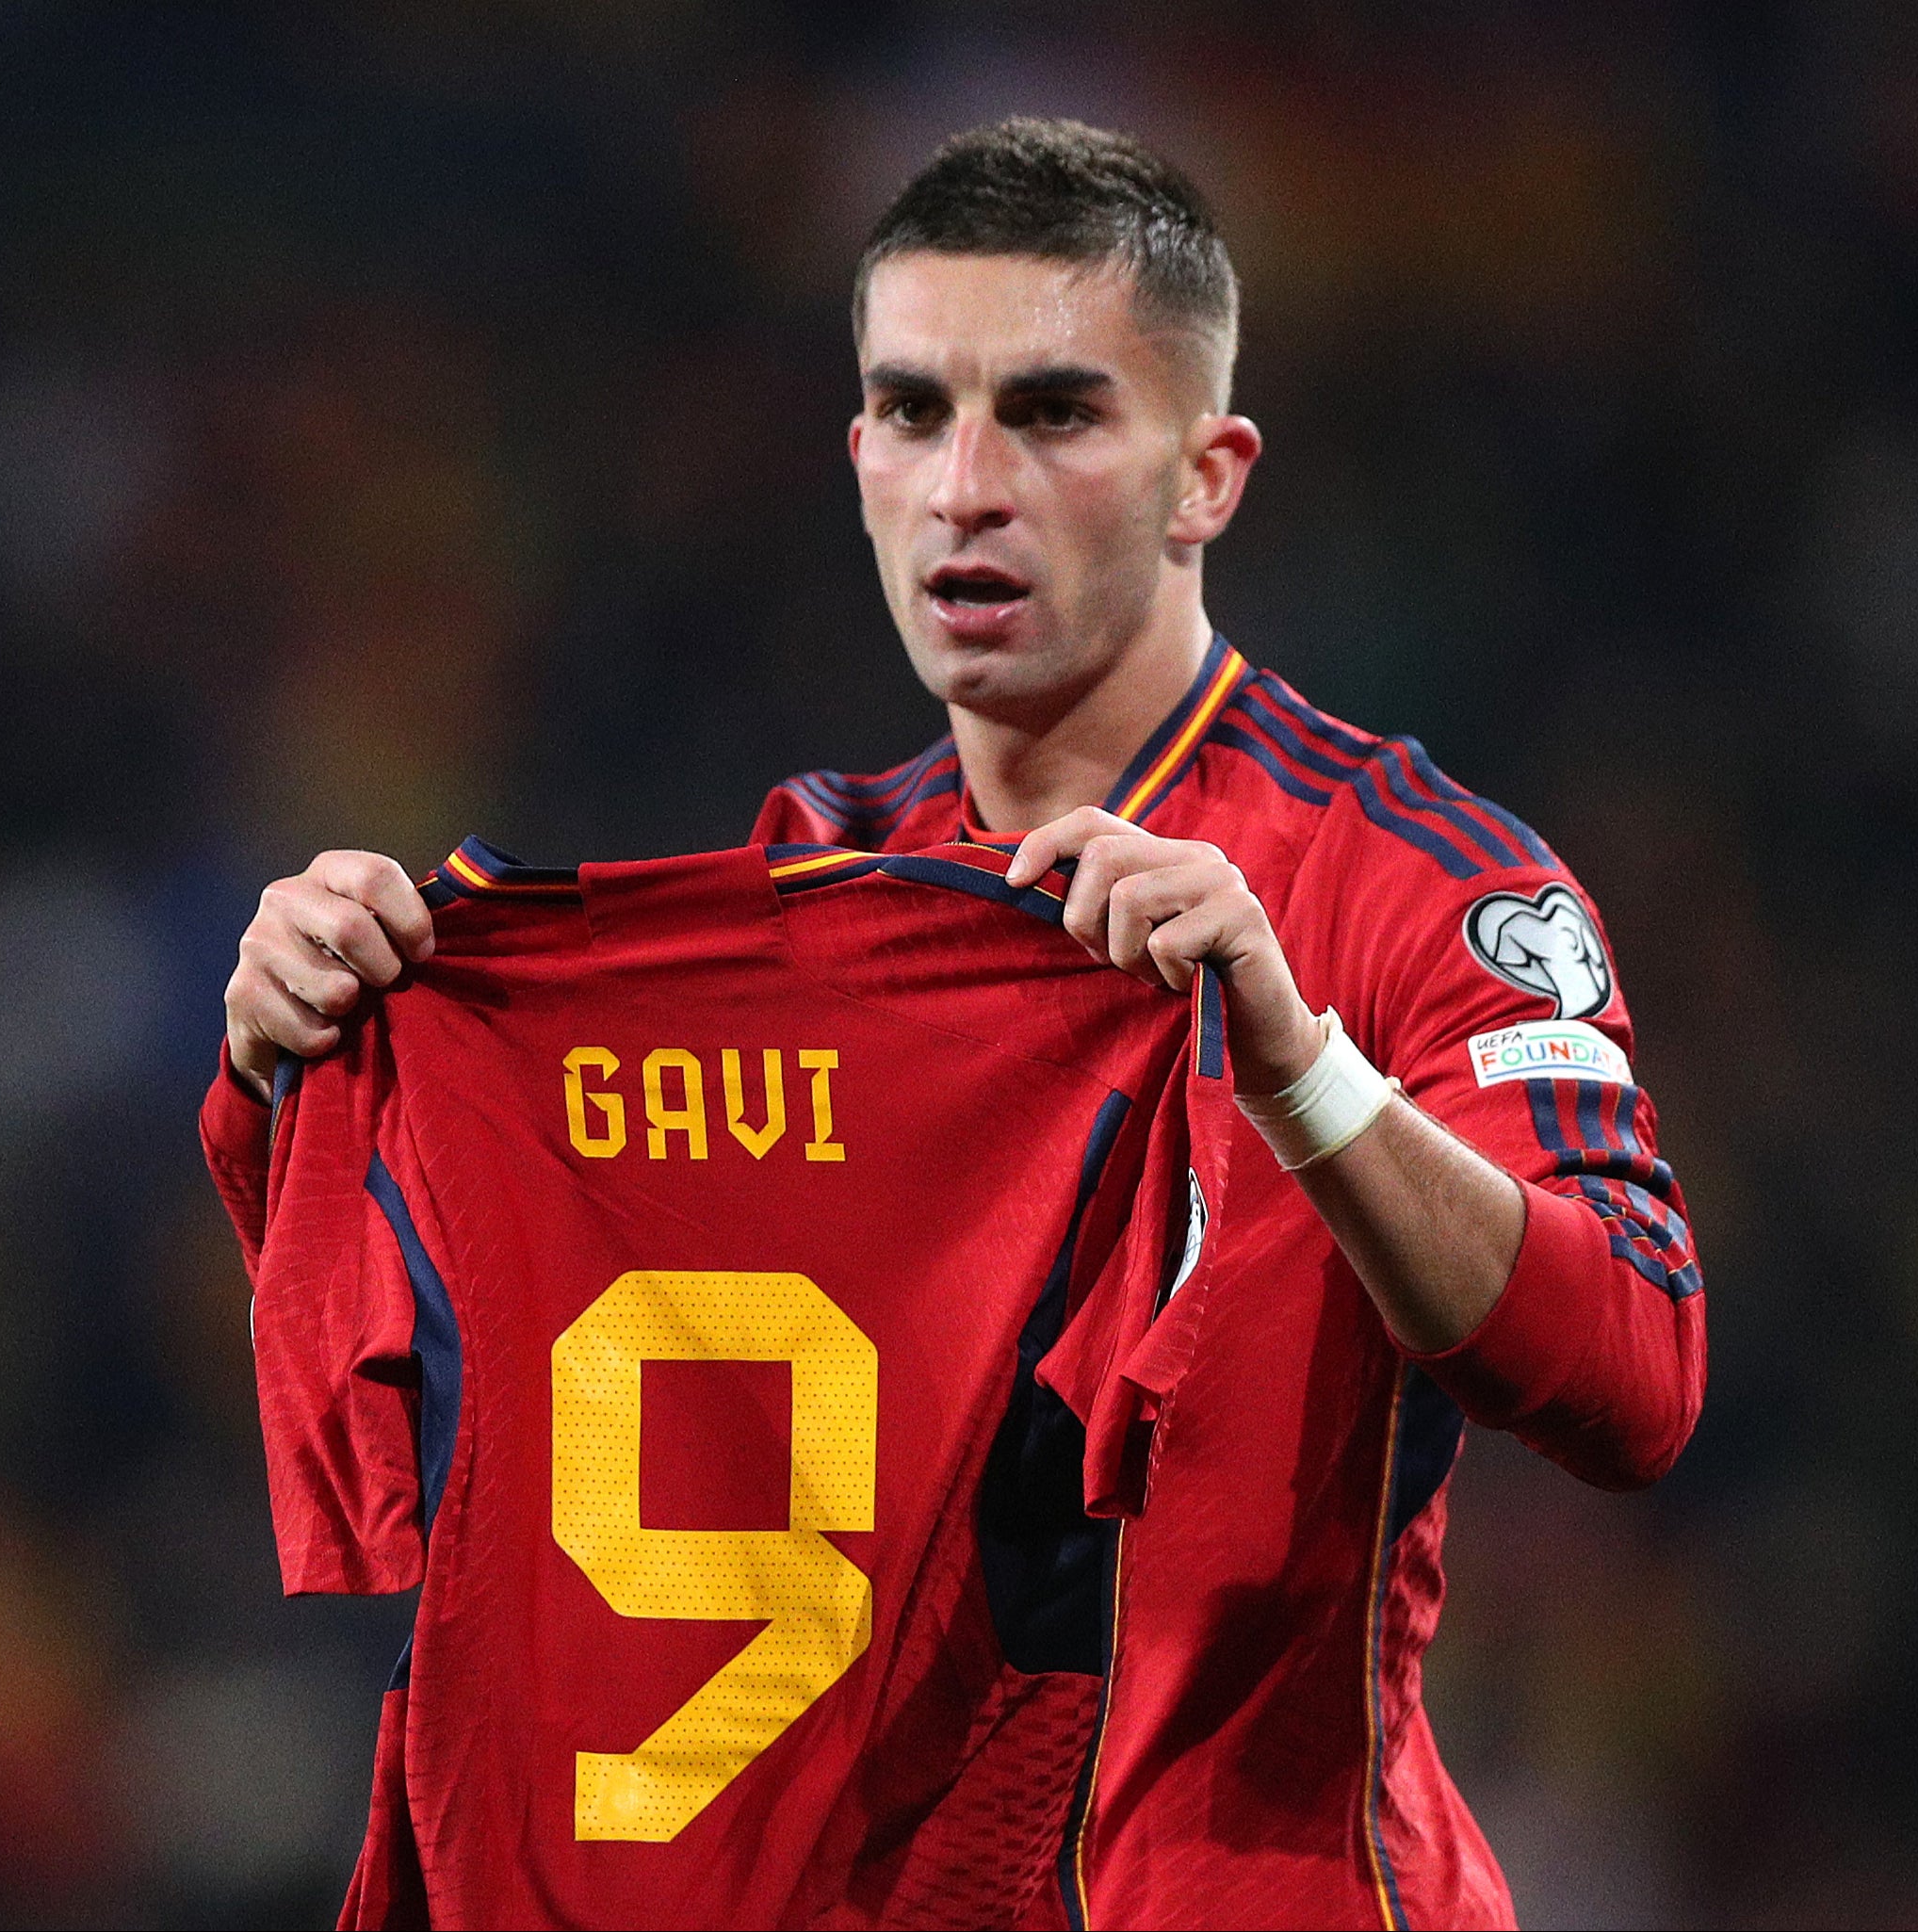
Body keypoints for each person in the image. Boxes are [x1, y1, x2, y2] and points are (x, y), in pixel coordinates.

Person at [206, 118, 1704, 1929]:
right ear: (853, 457)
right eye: (913, 412)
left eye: (1056, 414)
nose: (965, 485)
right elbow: (530, 1373)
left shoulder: (1419, 887)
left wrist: (1299, 1067)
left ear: (1206, 477)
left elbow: (1635, 1373)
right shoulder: (811, 883)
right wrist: (314, 1042)